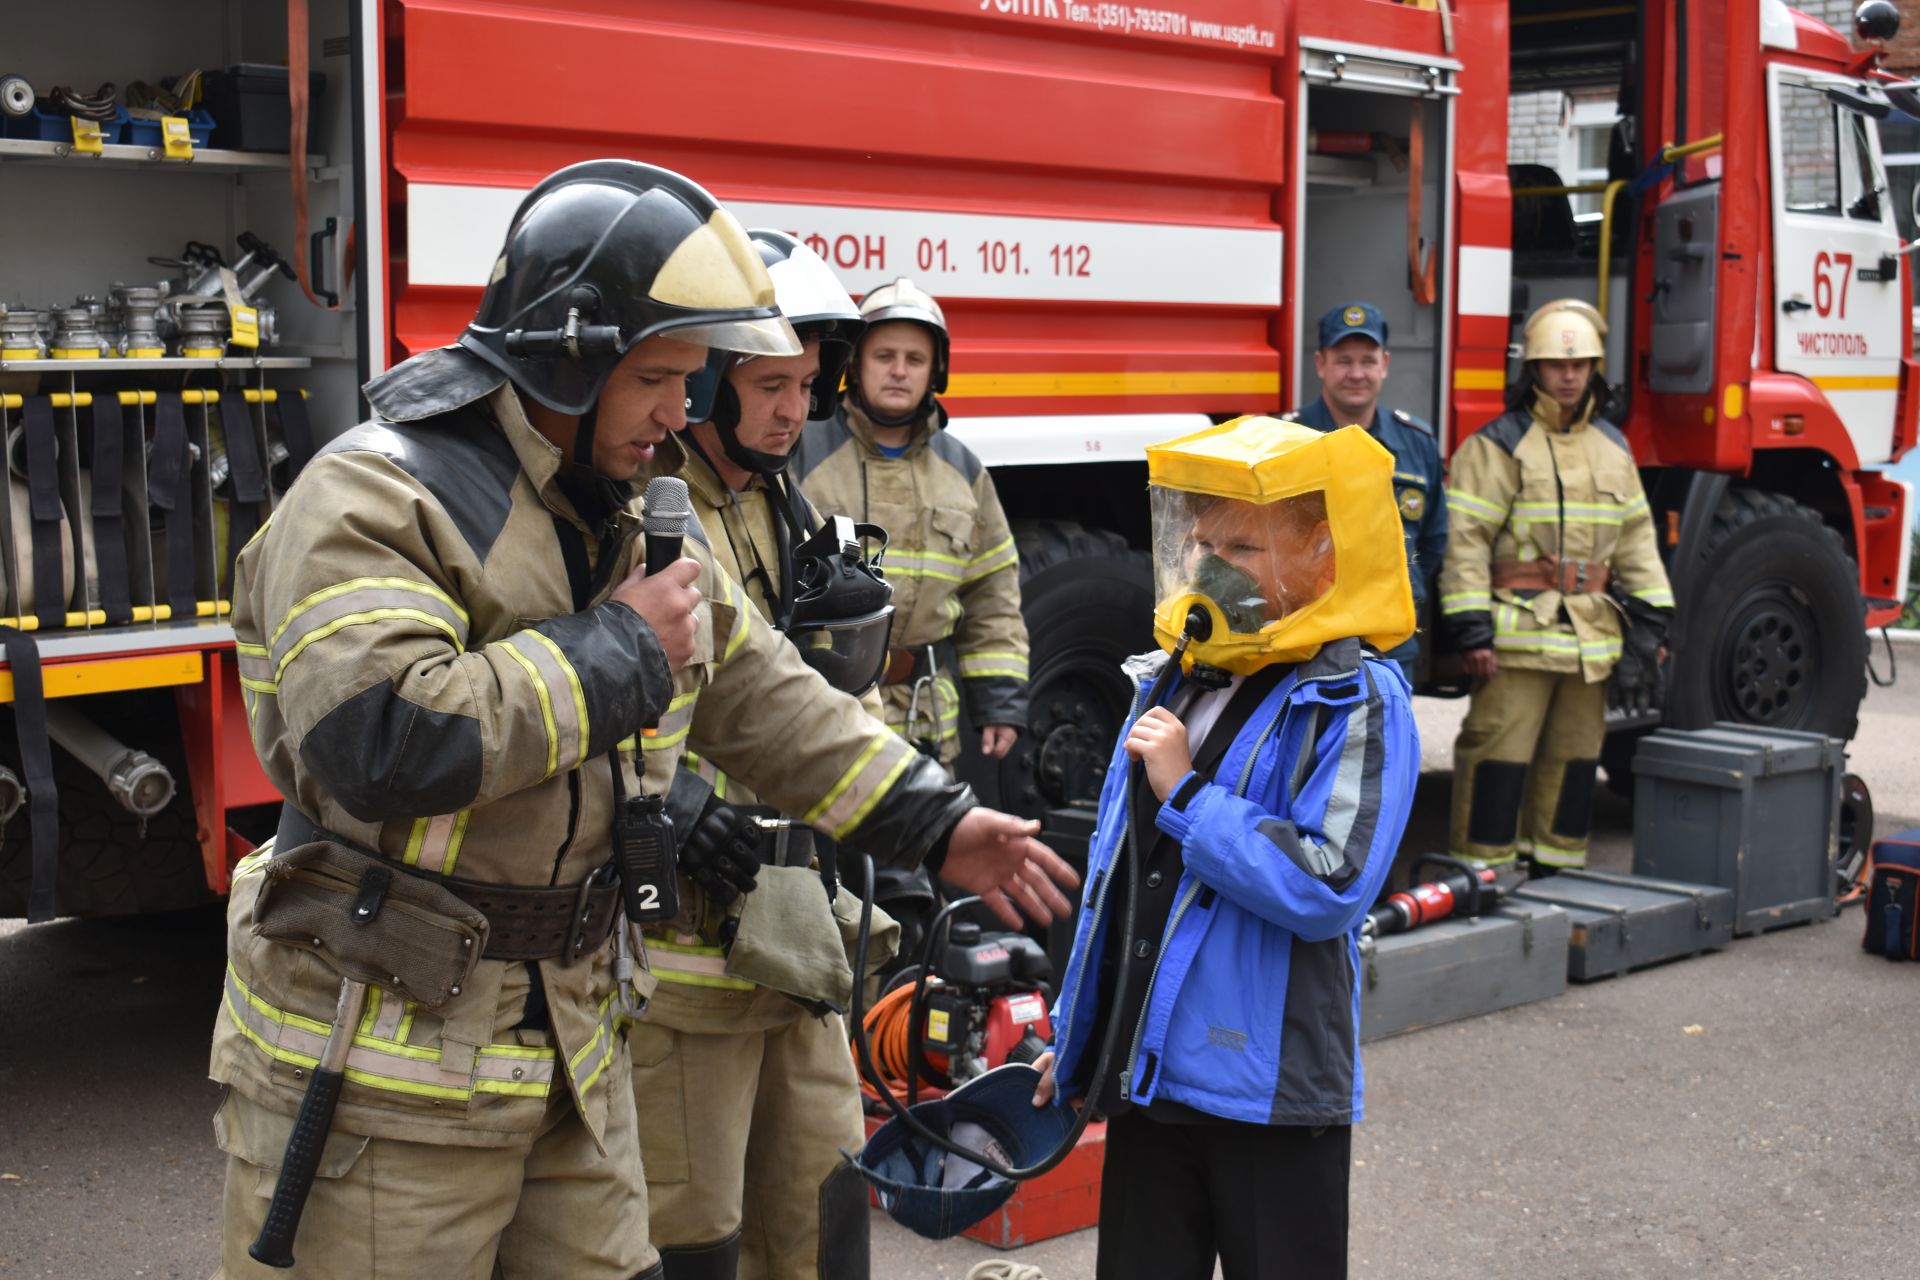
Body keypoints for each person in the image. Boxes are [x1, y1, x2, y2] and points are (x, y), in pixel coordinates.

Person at [208, 160, 1078, 1280]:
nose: (683, 412)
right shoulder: (378, 496)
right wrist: (620, 647)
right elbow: (379, 737)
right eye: (661, 376)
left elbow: (761, 692)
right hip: (387, 1082)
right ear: (568, 359)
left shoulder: (623, 508)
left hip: (572, 1056)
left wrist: (935, 818)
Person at [1031, 417, 1421, 1280]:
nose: (1209, 565)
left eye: (1242, 547)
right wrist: (1084, 1030)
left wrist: (1192, 796)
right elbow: (1120, 880)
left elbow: (1332, 879)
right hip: (1152, 1077)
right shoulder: (1176, 674)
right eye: (1201, 540)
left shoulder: (1357, 699)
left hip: (1267, 1095)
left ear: (1320, 557)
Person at [629, 230, 888, 1279]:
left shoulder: (789, 504)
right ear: (703, 385)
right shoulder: (647, 510)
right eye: (770, 383)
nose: (795, 407)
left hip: (798, 942)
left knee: (822, 1205)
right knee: (695, 1224)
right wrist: (680, 810)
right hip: (690, 960)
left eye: (808, 382)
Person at [1437, 298, 1674, 876]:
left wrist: (1651, 626)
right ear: (1534, 370)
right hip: (1515, 641)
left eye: (1580, 365)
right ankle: (1481, 877)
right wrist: (1472, 631)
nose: (1568, 377)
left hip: (1588, 643)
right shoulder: (1496, 445)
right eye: (1555, 366)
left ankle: (1557, 876)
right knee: (1498, 761)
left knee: (1573, 765)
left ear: (1595, 368)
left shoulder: (1613, 449)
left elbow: (1638, 542)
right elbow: (1465, 541)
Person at [791, 277, 1028, 769]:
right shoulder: (800, 452)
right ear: (854, 364)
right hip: (824, 708)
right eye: (884, 356)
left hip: (927, 717)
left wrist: (1000, 701)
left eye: (914, 360)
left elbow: (992, 595)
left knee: (924, 842)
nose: (899, 371)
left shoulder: (964, 471)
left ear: (935, 371)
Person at [1284, 301, 1446, 677]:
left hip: (1390, 645)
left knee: (1387, 737)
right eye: (1343, 360)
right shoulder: (1288, 440)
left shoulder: (1418, 442)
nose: (1356, 373)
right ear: (1321, 363)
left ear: (1385, 364)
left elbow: (1434, 542)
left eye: (1367, 360)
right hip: (1305, 642)